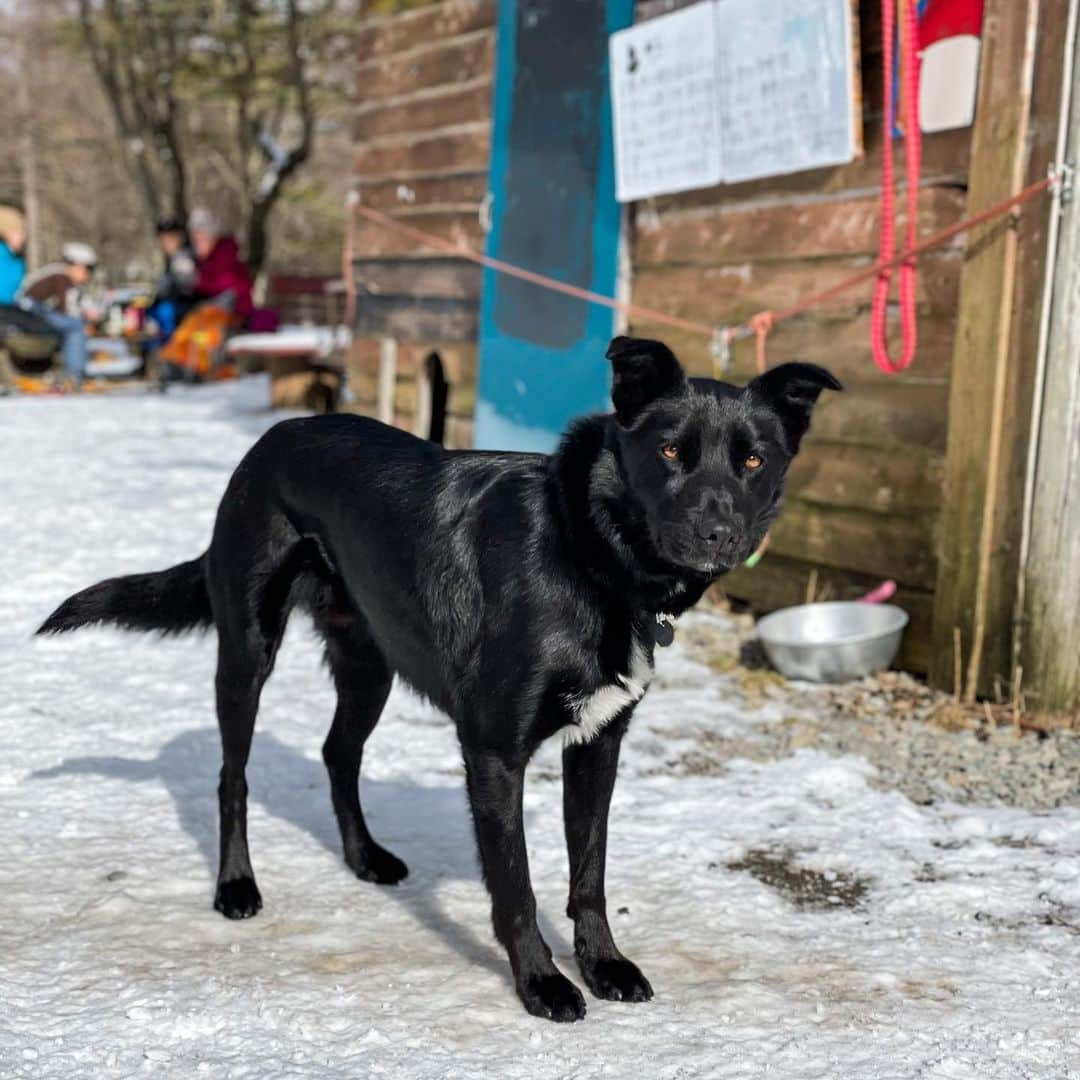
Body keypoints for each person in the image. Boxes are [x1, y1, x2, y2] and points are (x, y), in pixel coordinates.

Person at [19, 242, 97, 385]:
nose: (88, 275)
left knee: (76, 325)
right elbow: (68, 309)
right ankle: (74, 375)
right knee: (76, 327)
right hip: (29, 313)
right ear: (77, 265)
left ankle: (74, 372)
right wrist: (86, 321)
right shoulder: (60, 276)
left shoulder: (59, 275)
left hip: (34, 313)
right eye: (87, 269)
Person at [188, 207, 253, 321]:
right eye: (195, 239)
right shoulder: (198, 258)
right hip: (210, 306)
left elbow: (228, 283)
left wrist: (197, 282)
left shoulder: (226, 252)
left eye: (203, 237)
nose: (198, 242)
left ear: (213, 237)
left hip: (236, 310)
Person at [146, 215, 197, 345]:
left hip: (183, 324)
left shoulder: (184, 259)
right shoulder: (172, 259)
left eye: (172, 237)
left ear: (180, 237)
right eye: (164, 238)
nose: (167, 242)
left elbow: (185, 290)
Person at [0, 205, 27, 304]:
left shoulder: (15, 259)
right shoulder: (4, 258)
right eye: (19, 232)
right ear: (7, 233)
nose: (23, 238)